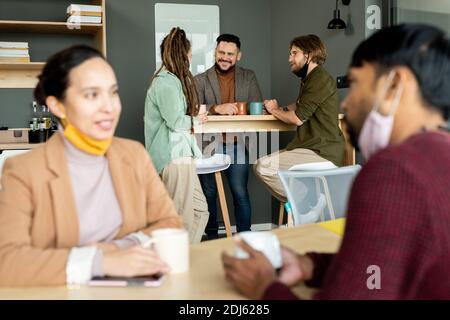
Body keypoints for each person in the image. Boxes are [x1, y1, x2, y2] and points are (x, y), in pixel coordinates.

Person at [222, 24, 450, 299]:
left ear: (394, 85)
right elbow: (380, 268)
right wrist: (313, 266)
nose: (345, 104)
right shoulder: (438, 157)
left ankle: (309, 202)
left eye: (355, 85)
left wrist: (265, 287)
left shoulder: (393, 171)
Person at [0, 45, 183, 287]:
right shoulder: (23, 170)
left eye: (113, 92)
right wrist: (99, 262)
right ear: (57, 106)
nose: (109, 107)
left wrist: (116, 248)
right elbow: (7, 261)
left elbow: (170, 224)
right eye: (92, 95)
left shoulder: (134, 155)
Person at [254, 34, 345, 202]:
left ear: (308, 55)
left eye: (294, 53)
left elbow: (297, 118)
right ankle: (307, 200)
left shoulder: (320, 79)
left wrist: (274, 111)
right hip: (310, 147)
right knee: (264, 164)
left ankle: (306, 201)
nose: (290, 58)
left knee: (263, 166)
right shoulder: (309, 79)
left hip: (322, 151)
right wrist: (278, 109)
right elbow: (299, 105)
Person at [195, 34, 263, 239]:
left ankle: (245, 237)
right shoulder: (200, 79)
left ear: (238, 56)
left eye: (230, 54)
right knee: (209, 194)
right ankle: (212, 237)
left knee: (240, 193)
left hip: (238, 144)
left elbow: (256, 107)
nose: (224, 57)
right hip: (208, 145)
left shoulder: (248, 76)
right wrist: (217, 108)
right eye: (221, 52)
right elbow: (193, 110)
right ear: (215, 52)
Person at [145, 27, 209, 244]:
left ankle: (184, 258)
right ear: (183, 54)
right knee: (180, 216)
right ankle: (174, 264)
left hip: (181, 154)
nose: (191, 58)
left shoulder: (171, 81)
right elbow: (175, 122)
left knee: (199, 211)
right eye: (190, 54)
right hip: (174, 156)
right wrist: (197, 119)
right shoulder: (166, 82)